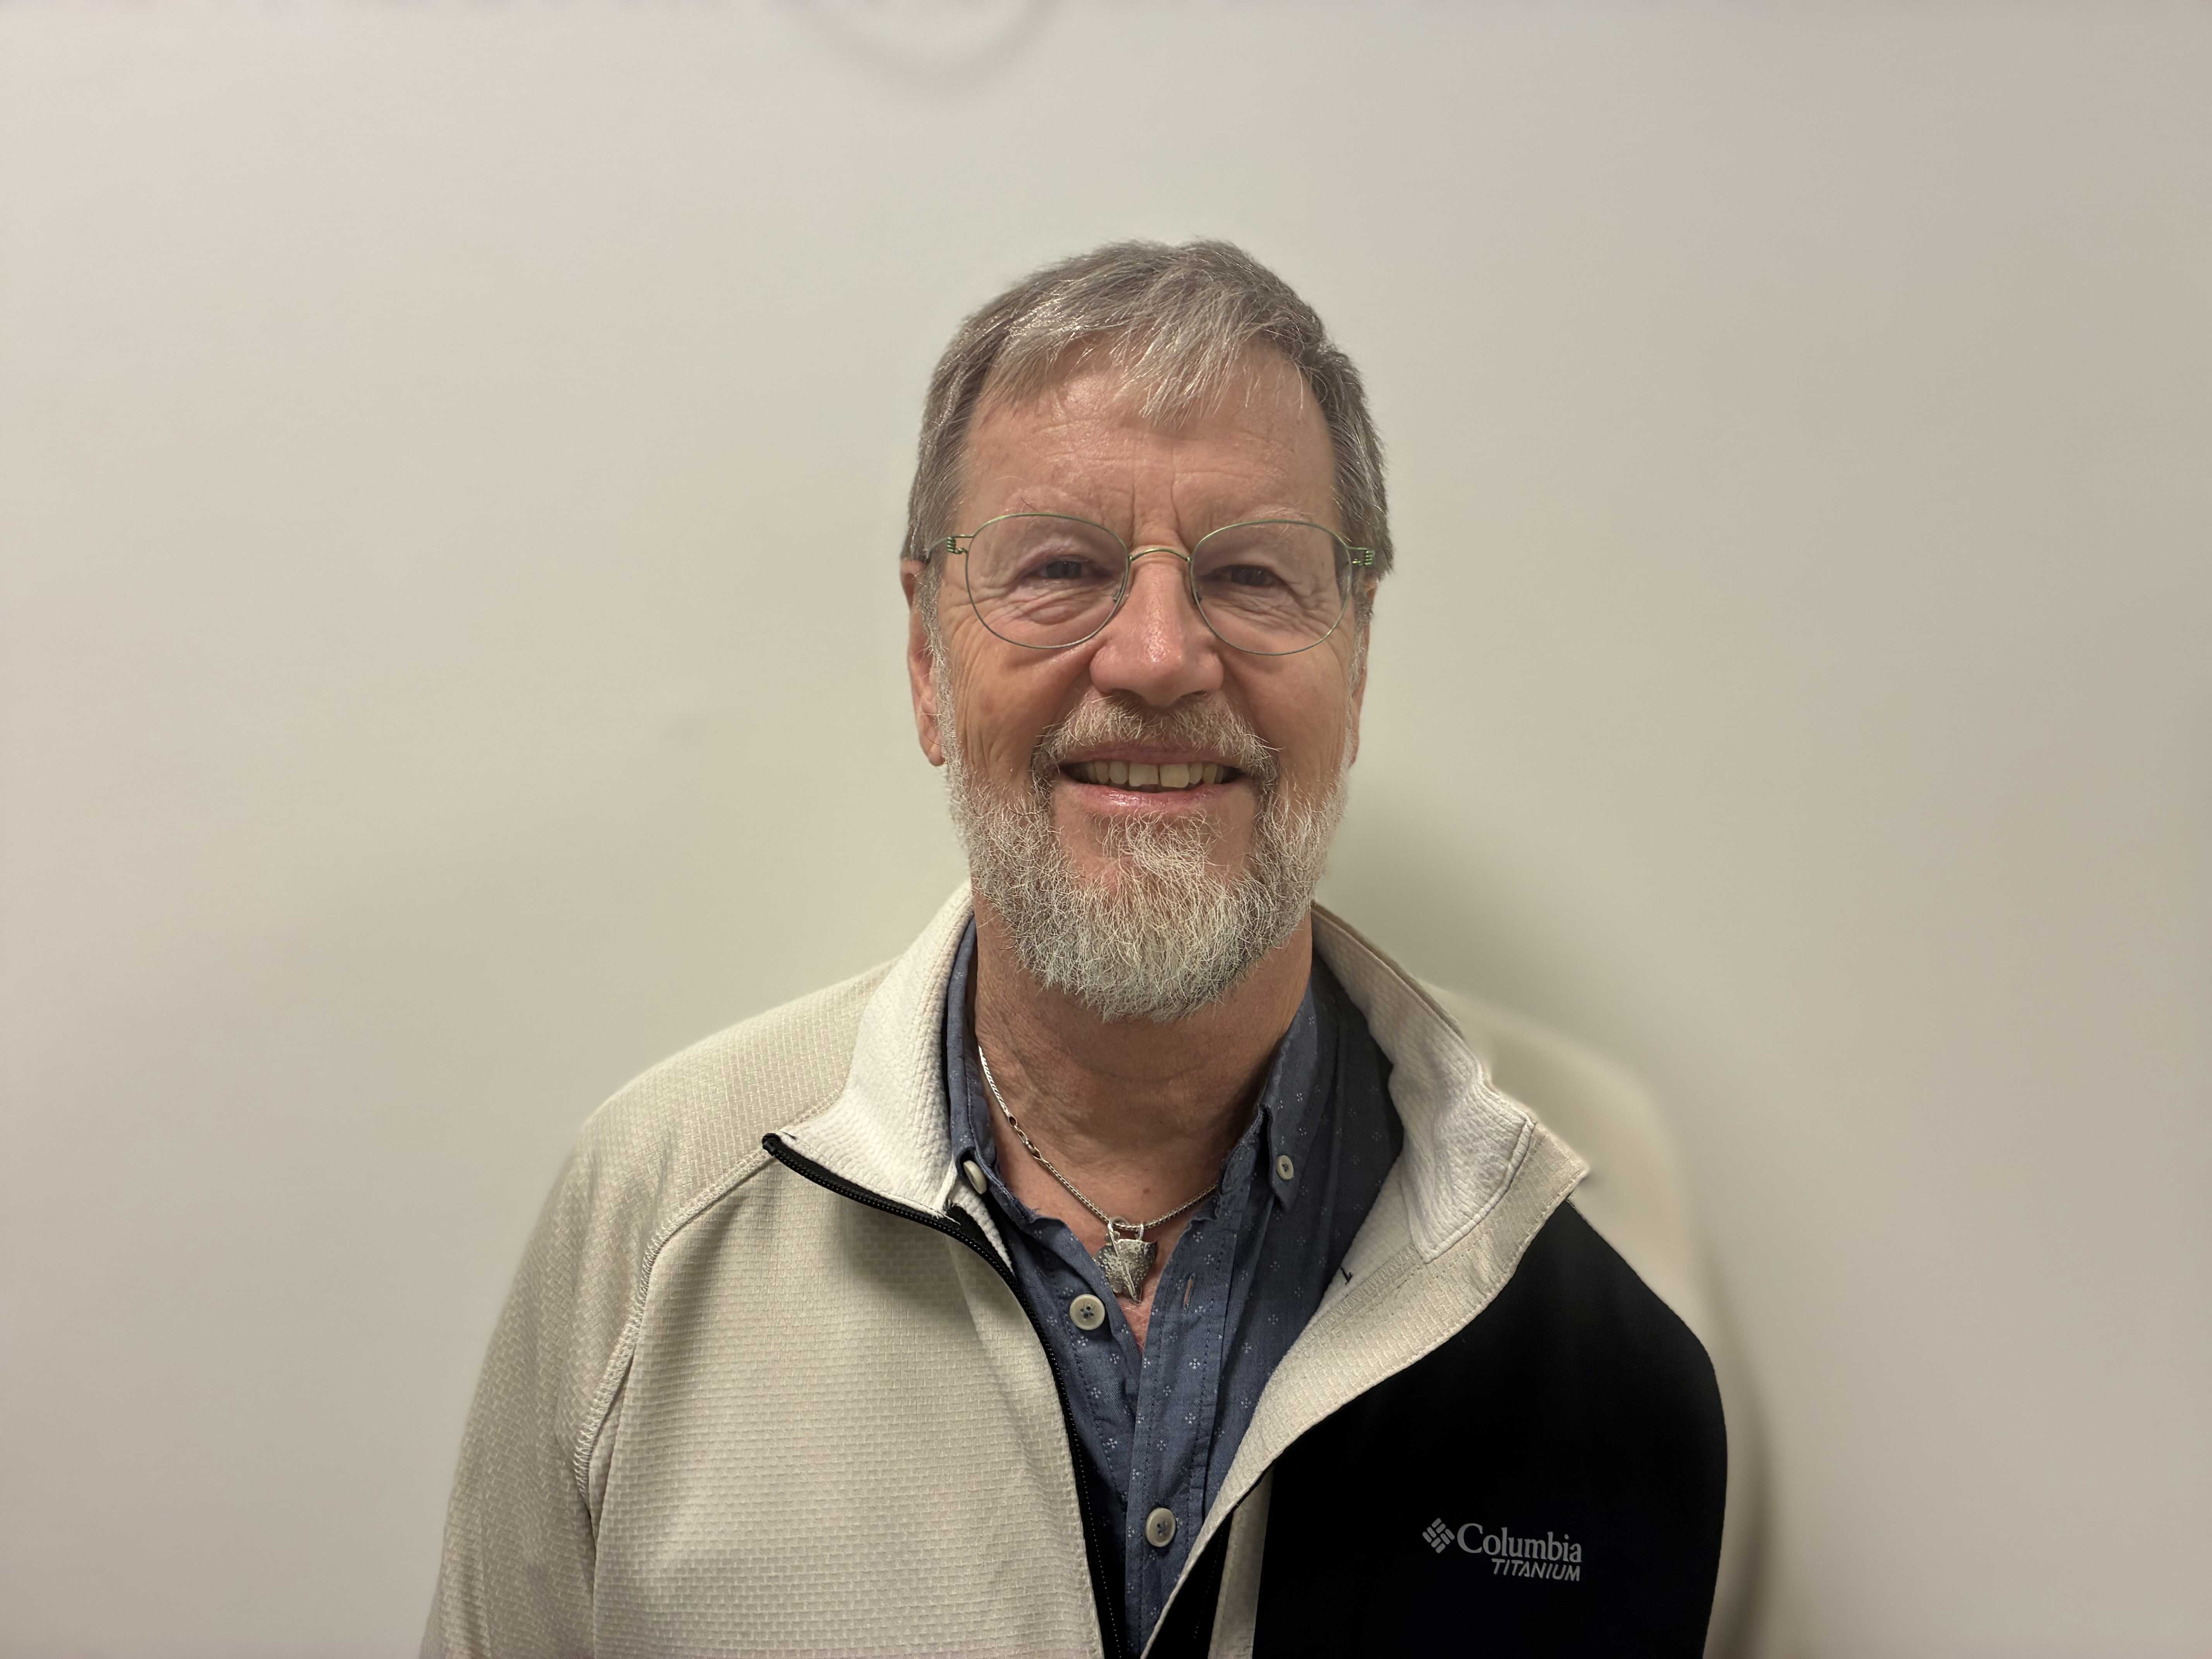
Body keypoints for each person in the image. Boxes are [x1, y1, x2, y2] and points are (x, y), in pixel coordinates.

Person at [425, 240, 1752, 1658]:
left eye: (1251, 573)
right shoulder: (649, 1228)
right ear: (929, 659)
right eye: (1061, 567)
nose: (1158, 655)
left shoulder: (1605, 1349)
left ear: (1355, 660)